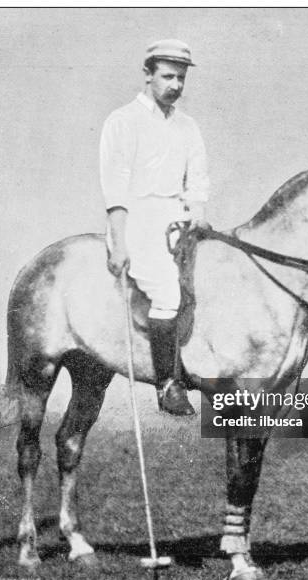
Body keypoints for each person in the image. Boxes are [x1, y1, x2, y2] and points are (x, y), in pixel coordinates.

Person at [100, 39, 209, 416]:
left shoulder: (187, 126)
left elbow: (197, 181)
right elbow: (115, 189)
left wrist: (196, 211)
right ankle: (167, 385)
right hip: (139, 222)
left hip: (178, 223)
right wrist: (119, 242)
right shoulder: (123, 121)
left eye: (181, 78)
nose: (175, 85)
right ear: (148, 75)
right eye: (167, 76)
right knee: (167, 293)